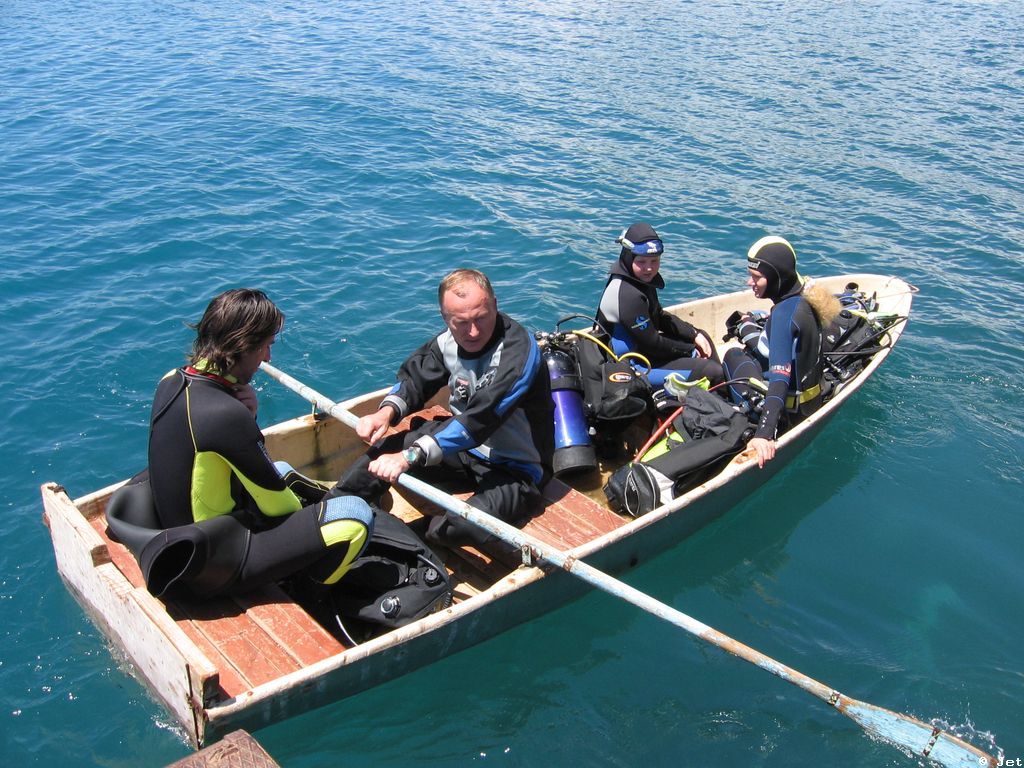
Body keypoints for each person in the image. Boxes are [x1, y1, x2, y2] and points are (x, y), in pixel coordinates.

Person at [107, 289, 374, 598]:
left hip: (180, 535)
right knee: (355, 515)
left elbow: (214, 452)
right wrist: (246, 421)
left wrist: (248, 416)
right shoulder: (225, 414)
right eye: (266, 346)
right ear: (243, 345)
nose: (268, 358)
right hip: (211, 561)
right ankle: (308, 591)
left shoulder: (172, 380)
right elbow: (281, 508)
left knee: (282, 470)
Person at [329, 269, 554, 552]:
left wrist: (410, 456)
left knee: (462, 526)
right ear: (445, 318)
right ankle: (331, 511)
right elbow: (415, 380)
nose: (473, 331)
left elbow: (479, 419)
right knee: (384, 450)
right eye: (461, 323)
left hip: (517, 469)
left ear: (495, 305)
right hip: (465, 452)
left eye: (481, 318)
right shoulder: (447, 341)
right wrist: (384, 413)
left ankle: (392, 540)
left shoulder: (518, 353)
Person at [723, 236, 838, 468]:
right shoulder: (806, 300)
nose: (749, 282)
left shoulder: (784, 317)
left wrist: (764, 434)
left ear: (776, 277)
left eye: (756, 277)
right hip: (811, 401)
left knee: (733, 356)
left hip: (788, 413)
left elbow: (779, 380)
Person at [595, 222, 724, 388]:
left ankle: (723, 389)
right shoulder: (627, 294)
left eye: (654, 261)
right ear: (628, 257)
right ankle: (724, 394)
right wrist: (690, 350)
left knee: (702, 337)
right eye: (642, 262)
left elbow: (659, 315)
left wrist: (693, 334)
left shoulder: (637, 279)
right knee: (712, 371)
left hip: (644, 352)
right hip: (632, 367)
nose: (649, 268)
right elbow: (651, 344)